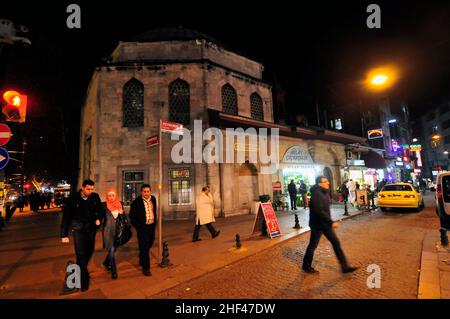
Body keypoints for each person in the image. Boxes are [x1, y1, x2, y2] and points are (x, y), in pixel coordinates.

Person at [302, 176, 358, 274]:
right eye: (325, 181)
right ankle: (306, 266)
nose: (328, 183)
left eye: (327, 181)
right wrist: (331, 222)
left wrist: (328, 222)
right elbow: (319, 211)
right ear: (319, 183)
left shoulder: (324, 192)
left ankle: (344, 266)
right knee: (313, 245)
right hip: (318, 225)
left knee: (336, 243)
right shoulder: (316, 194)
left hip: (325, 224)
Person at [60, 179, 104, 291]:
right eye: (88, 189)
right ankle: (84, 282)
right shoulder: (73, 198)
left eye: (92, 189)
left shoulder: (95, 197)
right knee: (80, 254)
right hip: (78, 229)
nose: (90, 191)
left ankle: (81, 269)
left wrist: (99, 219)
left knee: (88, 252)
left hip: (91, 229)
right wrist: (64, 234)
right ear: (83, 188)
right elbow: (66, 217)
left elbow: (101, 210)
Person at [129, 184, 157, 277]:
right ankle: (146, 268)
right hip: (142, 228)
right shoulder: (136, 202)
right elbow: (131, 216)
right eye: (144, 191)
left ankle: (142, 257)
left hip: (151, 226)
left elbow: (154, 211)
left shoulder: (153, 199)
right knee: (144, 248)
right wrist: (138, 227)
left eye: (148, 191)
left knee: (150, 242)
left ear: (150, 191)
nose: (146, 193)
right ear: (141, 192)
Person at [101, 189, 126, 280]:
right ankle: (114, 271)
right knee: (111, 251)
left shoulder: (120, 204)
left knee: (114, 249)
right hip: (108, 231)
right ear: (107, 196)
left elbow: (124, 219)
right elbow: (100, 216)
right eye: (109, 195)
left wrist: (122, 213)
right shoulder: (104, 205)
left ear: (116, 196)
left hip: (118, 231)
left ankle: (106, 263)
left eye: (113, 195)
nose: (111, 197)